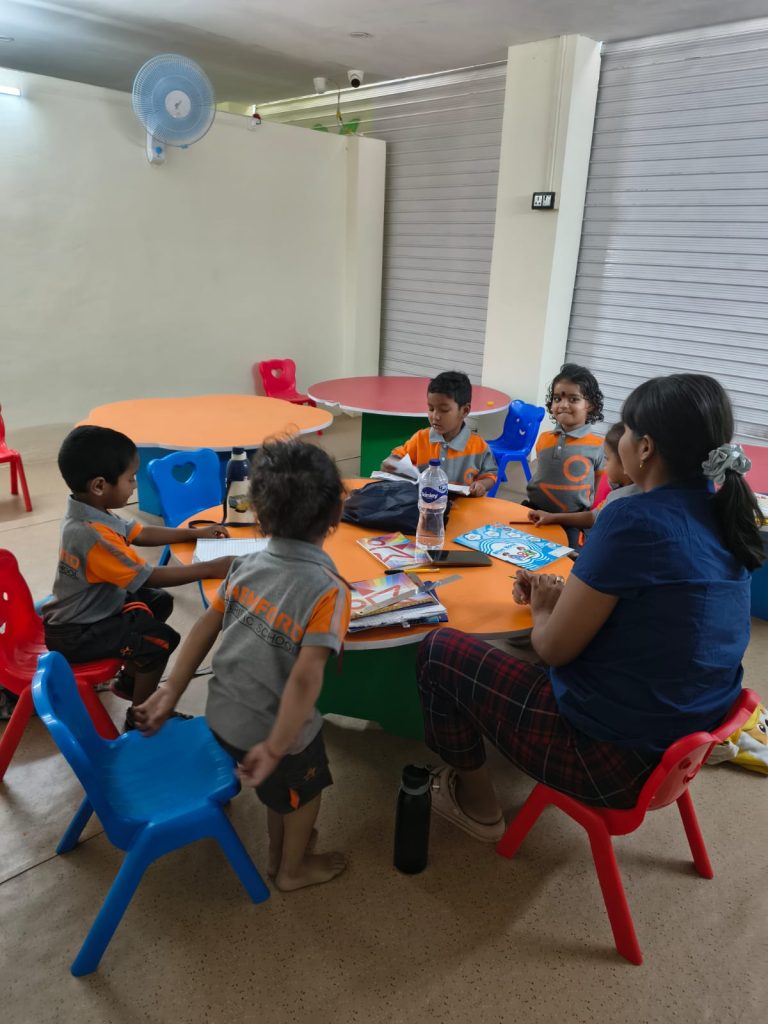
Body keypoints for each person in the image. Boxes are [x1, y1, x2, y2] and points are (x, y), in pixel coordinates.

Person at [416, 374, 764, 842]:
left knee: (441, 649)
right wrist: (565, 602)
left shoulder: (632, 515)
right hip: (679, 747)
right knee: (523, 642)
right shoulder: (725, 512)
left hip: (608, 760)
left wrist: (544, 610)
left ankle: (477, 805)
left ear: (644, 449)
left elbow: (554, 649)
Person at [134, 439, 351, 892]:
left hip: (223, 715)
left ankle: (279, 851)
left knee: (281, 794)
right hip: (275, 735)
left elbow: (205, 627)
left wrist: (172, 689)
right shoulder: (330, 590)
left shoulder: (243, 565)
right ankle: (290, 870)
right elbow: (307, 678)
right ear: (336, 515)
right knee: (304, 794)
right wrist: (274, 747)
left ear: (258, 514)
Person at [42, 425, 233, 731]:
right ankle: (141, 716)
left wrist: (193, 533)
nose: (134, 485)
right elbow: (148, 577)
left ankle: (131, 681)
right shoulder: (91, 533)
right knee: (160, 641)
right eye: (131, 478)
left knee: (158, 603)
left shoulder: (90, 510)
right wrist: (211, 568)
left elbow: (140, 533)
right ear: (100, 485)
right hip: (78, 632)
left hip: (91, 612)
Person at [525, 363, 606, 546]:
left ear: (590, 405)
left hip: (570, 521)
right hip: (534, 511)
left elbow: (597, 488)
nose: (563, 405)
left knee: (567, 561)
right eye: (557, 398)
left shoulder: (597, 446)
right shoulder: (544, 438)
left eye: (573, 399)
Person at [381, 370, 498, 496]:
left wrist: (482, 485)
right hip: (425, 505)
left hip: (463, 507)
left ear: (464, 410)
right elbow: (396, 457)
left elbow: (490, 475)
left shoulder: (479, 446)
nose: (435, 416)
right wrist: (391, 463)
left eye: (444, 410)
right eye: (431, 409)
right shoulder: (420, 438)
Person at [527, 421, 642, 536]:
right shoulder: (617, 491)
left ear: (626, 463)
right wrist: (551, 517)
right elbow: (594, 516)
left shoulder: (628, 505)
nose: (605, 466)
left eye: (607, 459)